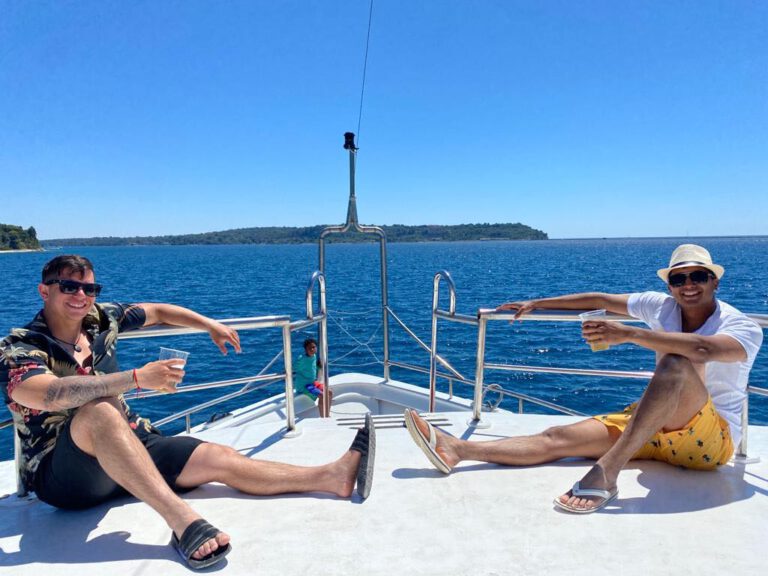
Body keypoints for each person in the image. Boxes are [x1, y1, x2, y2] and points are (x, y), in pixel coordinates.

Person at [0, 255, 376, 569]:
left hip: (127, 442)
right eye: (69, 287)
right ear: (45, 291)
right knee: (99, 411)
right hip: (64, 475)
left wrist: (209, 325)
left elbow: (158, 311)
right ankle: (183, 522)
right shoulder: (21, 347)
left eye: (90, 288)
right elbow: (48, 394)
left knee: (218, 457)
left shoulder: (101, 319)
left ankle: (332, 476)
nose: (81, 296)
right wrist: (136, 378)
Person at [403, 244, 762, 514]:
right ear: (669, 285)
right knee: (558, 437)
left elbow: (702, 349)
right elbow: (600, 299)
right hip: (657, 426)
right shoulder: (660, 306)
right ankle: (458, 450)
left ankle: (607, 472)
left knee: (676, 364)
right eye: (678, 278)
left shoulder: (741, 326)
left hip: (711, 441)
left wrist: (629, 334)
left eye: (698, 276)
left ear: (714, 281)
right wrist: (537, 303)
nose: (688, 285)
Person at [293, 338, 333, 417]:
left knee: (329, 392)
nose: (312, 349)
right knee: (322, 395)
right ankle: (323, 418)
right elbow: (294, 367)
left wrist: (318, 367)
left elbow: (312, 367)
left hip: (313, 383)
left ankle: (327, 414)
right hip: (305, 385)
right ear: (305, 350)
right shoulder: (301, 358)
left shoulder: (314, 356)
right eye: (309, 348)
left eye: (313, 347)